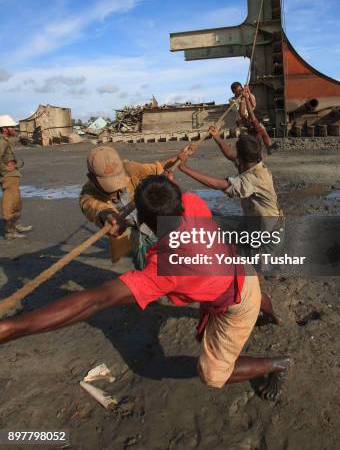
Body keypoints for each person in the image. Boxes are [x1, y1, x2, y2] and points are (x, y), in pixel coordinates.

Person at [0, 175, 291, 400]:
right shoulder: (191, 203)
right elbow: (166, 189)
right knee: (247, 291)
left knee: (213, 375)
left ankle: (277, 364)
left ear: (145, 220)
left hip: (234, 298)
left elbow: (94, 301)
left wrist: (10, 328)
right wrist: (115, 212)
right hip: (238, 267)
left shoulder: (165, 271)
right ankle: (269, 313)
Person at [177, 132, 283, 322]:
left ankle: (269, 313)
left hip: (266, 233)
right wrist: (216, 136)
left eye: (237, 154)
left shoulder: (253, 179)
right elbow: (230, 155)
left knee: (247, 278)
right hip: (261, 226)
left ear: (242, 158)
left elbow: (221, 185)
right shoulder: (252, 163)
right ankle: (266, 270)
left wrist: (184, 168)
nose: (234, 155)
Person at [79, 145, 182, 268]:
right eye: (107, 182)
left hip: (157, 226)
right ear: (92, 178)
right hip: (137, 238)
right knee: (146, 271)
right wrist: (110, 216)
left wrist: (180, 157)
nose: (115, 187)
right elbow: (95, 208)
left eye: (117, 178)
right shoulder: (88, 194)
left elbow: (157, 167)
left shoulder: (129, 168)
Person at [0, 114, 32, 239]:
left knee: (16, 201)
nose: (14, 129)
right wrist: (5, 168)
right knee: (10, 201)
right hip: (7, 175)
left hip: (12, 175)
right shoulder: (1, 141)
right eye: (12, 127)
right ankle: (9, 231)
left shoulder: (5, 140)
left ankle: (16, 224)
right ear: (4, 129)